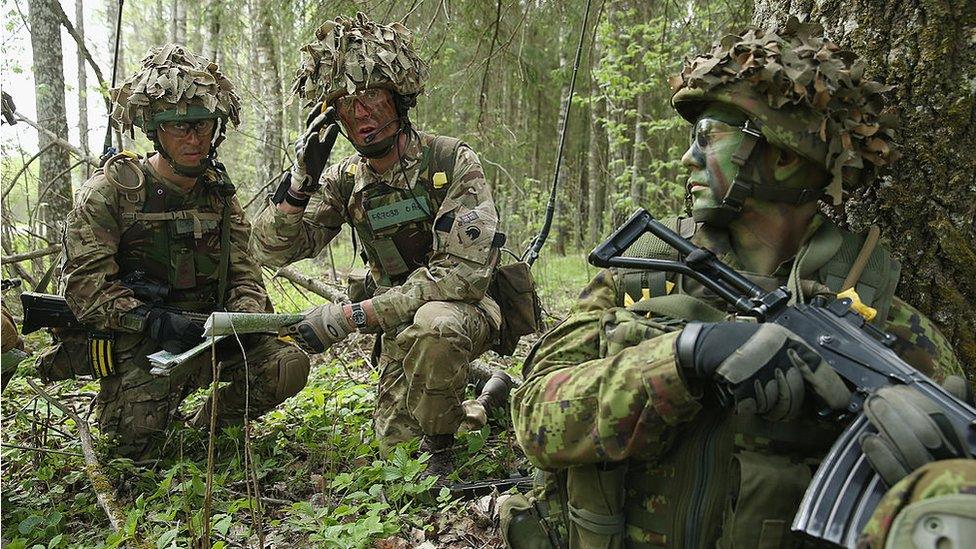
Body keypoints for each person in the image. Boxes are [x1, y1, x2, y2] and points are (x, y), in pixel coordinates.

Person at [500, 18, 971, 548]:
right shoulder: (642, 275)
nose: (688, 157)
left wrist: (936, 479)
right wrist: (682, 357)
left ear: (786, 156)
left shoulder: (886, 325)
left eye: (709, 137)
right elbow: (534, 418)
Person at [250, 13, 511, 478]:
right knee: (395, 450)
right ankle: (486, 400)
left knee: (434, 326)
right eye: (345, 104)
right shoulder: (346, 180)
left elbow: (460, 277)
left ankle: (443, 449)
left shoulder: (450, 160)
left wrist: (354, 316)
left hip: (464, 309)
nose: (361, 112)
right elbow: (271, 249)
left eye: (371, 95)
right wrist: (299, 183)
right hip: (396, 324)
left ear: (397, 97)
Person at [47, 44, 309, 459]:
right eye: (178, 127)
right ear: (155, 130)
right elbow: (85, 289)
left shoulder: (219, 194)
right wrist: (153, 320)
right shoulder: (111, 193)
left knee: (286, 365)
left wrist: (241, 315)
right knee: (135, 447)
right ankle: (128, 405)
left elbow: (245, 272)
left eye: (203, 125)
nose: (194, 138)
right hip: (142, 340)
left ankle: (209, 424)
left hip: (210, 332)